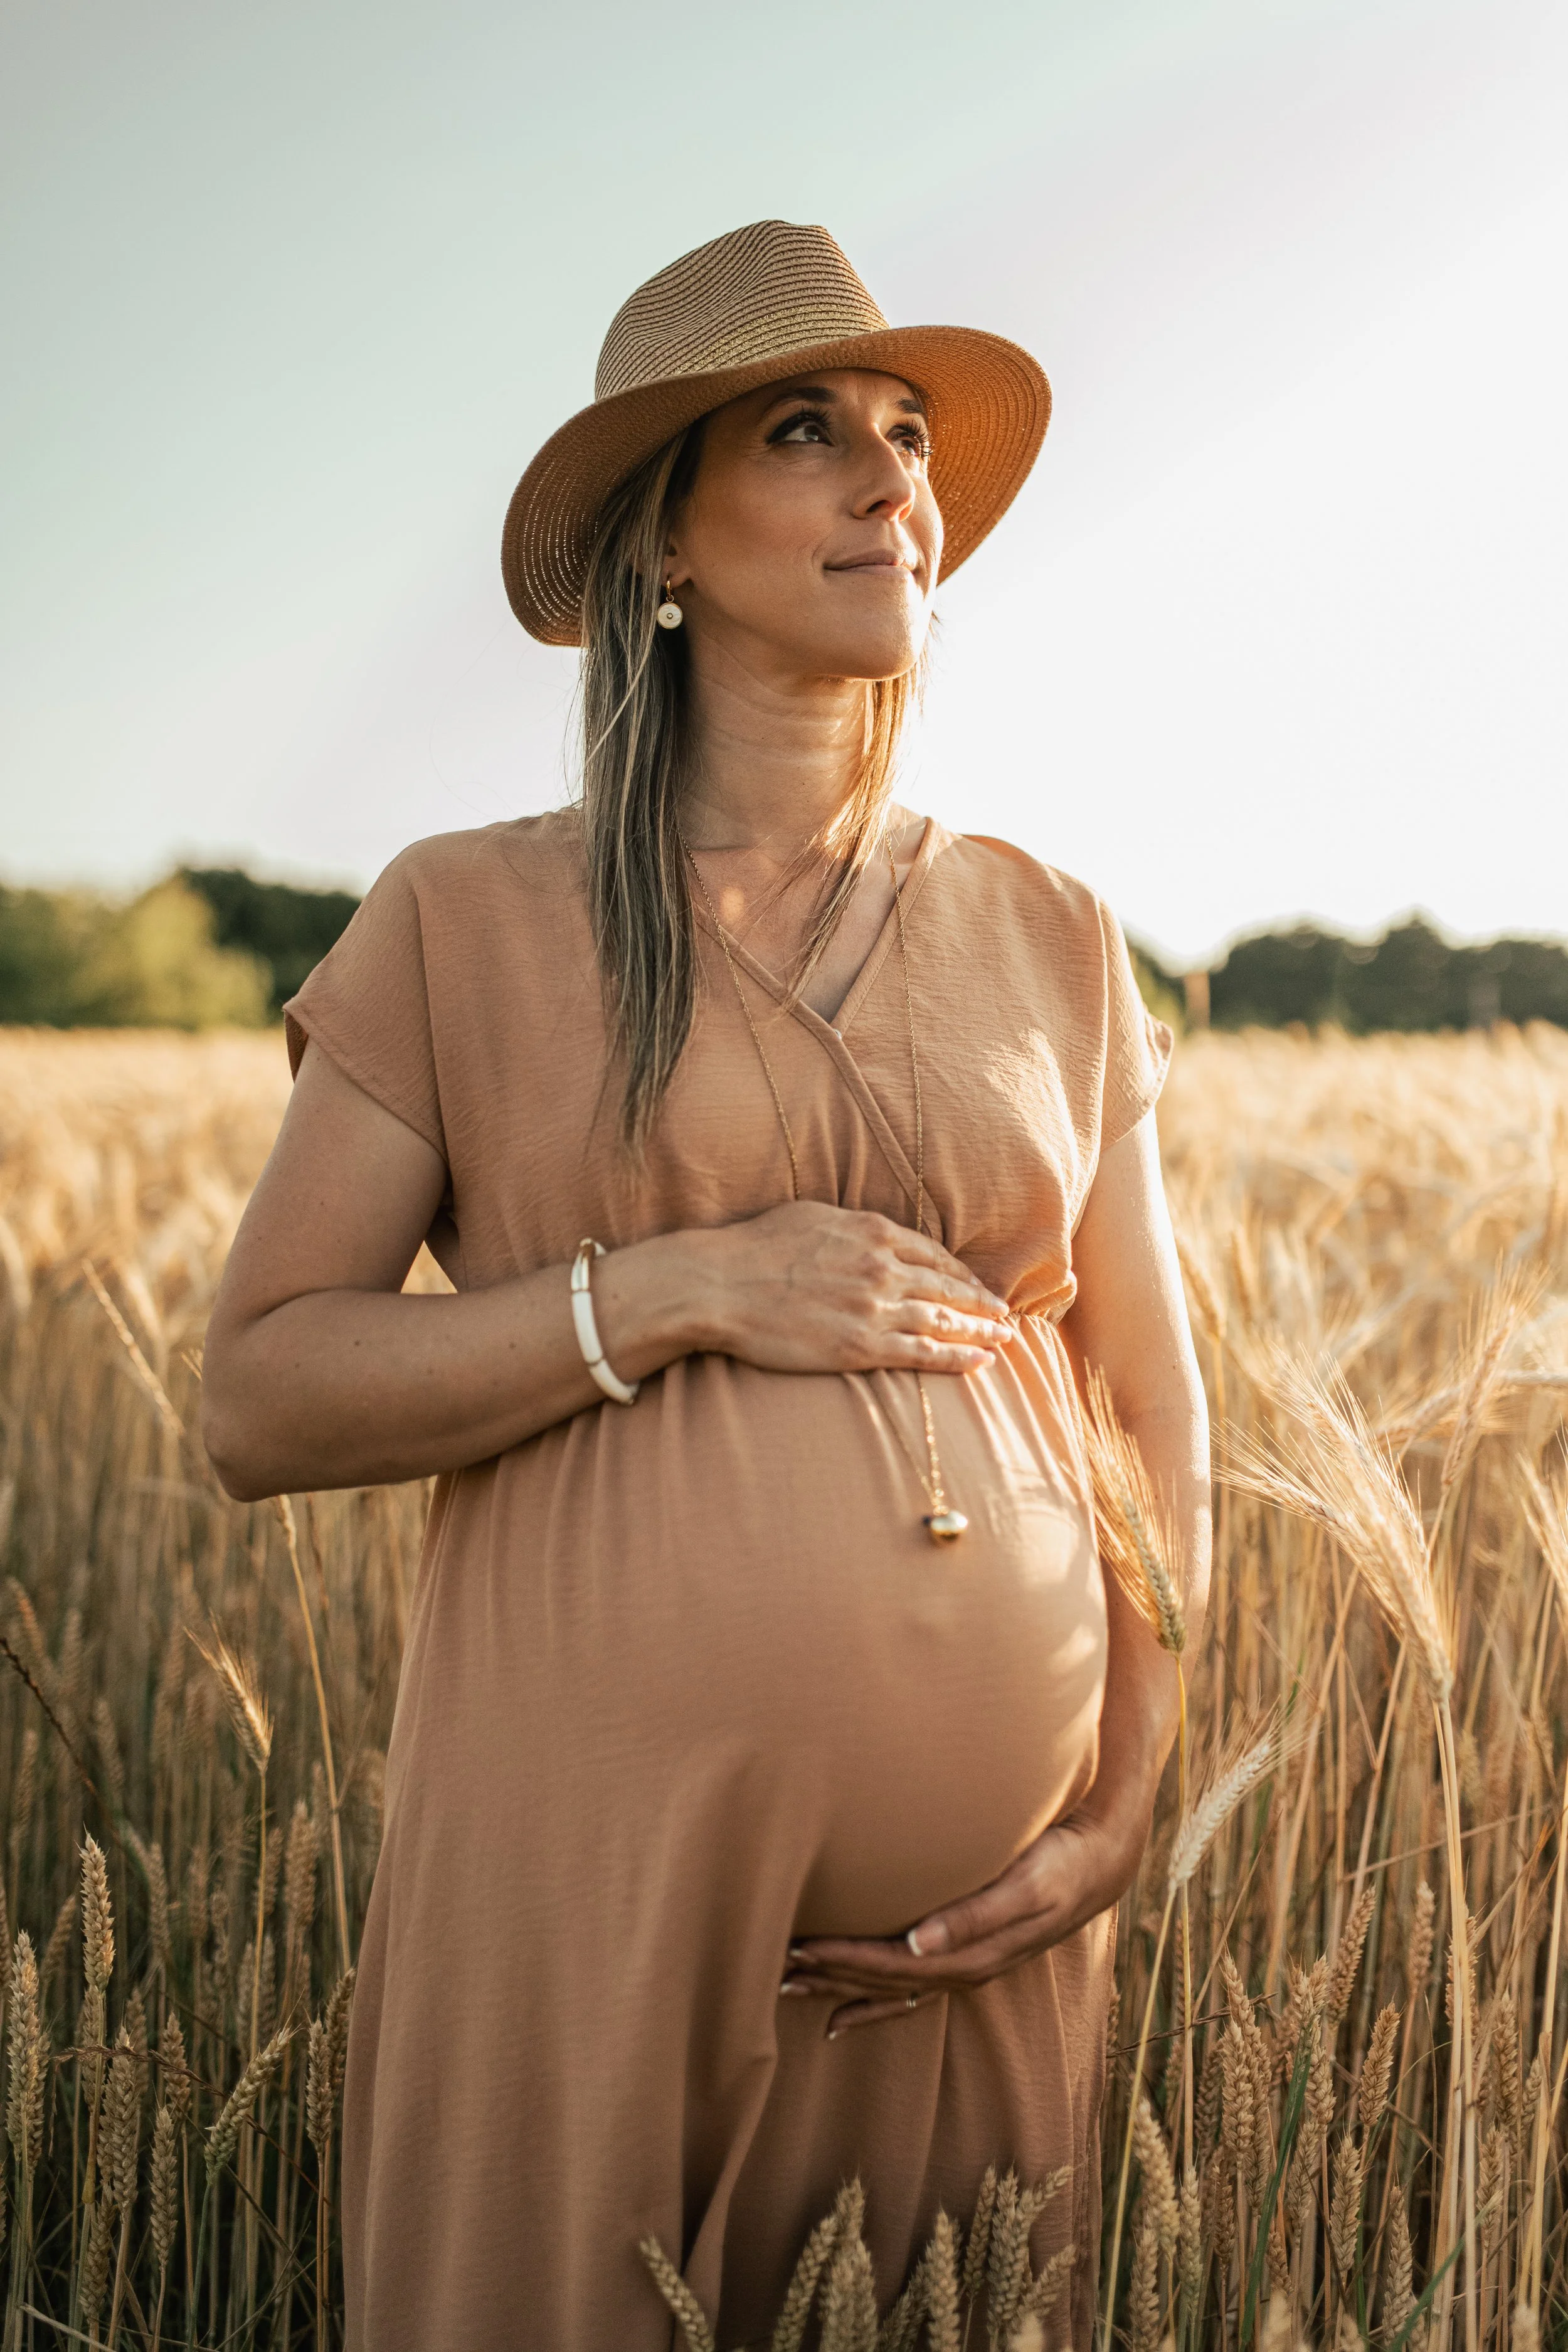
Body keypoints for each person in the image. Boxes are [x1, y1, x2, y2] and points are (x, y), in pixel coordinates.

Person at [203, 218, 1211, 2352]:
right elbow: (261, 1394)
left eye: (907, 433)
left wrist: (1126, 1784)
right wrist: (666, 1289)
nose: (890, 479)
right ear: (661, 542)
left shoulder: (1052, 933)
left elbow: (1149, 1398)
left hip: (978, 1937)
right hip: (586, 1891)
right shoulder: (466, 922)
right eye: (803, 429)